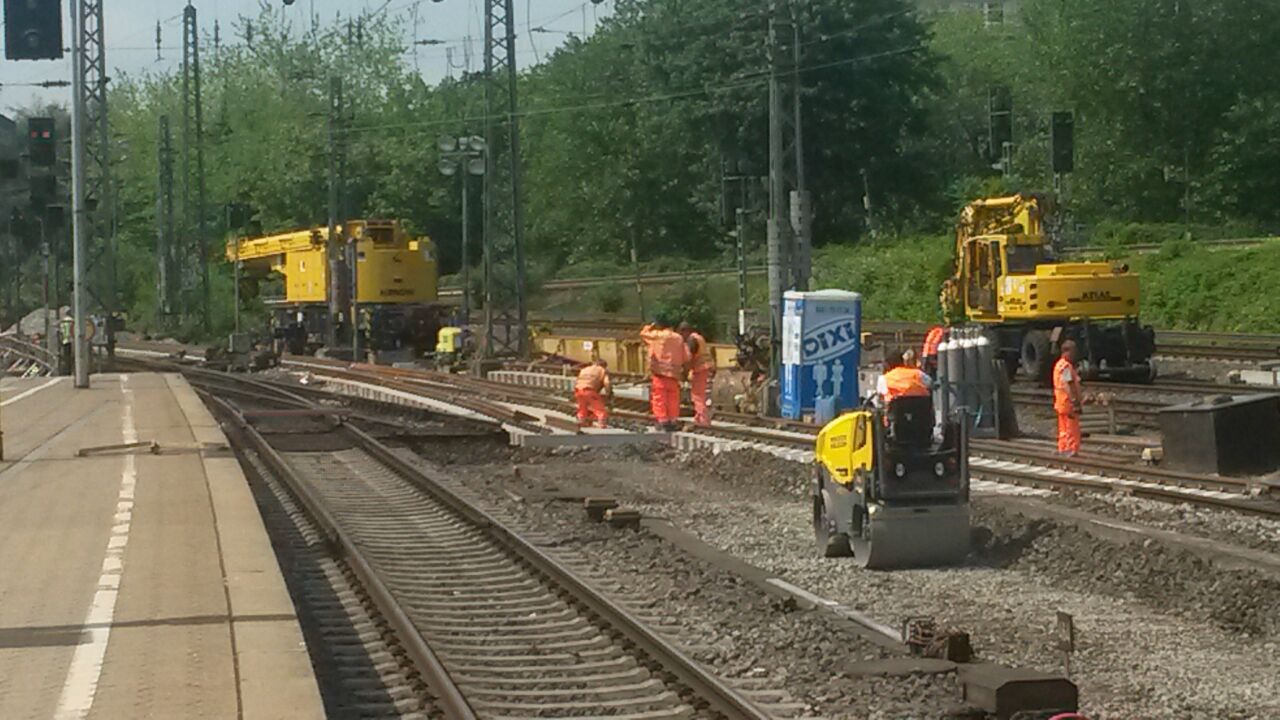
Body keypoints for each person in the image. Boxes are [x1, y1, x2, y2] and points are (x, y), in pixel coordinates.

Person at [640, 320, 689, 430]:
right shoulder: (679, 338)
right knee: (673, 398)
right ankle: (672, 420)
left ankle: (663, 421)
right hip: (674, 375)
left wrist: (649, 326)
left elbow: (643, 334)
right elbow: (687, 356)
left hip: (660, 373)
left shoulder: (658, 335)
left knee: (659, 398)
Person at [678, 321, 715, 427]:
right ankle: (698, 418)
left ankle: (703, 420)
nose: (681, 336)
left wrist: (684, 372)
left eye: (681, 333)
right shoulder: (698, 337)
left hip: (700, 369)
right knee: (701, 394)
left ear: (685, 331)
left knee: (697, 396)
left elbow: (689, 358)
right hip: (705, 368)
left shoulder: (691, 340)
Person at [1053, 340, 1084, 456]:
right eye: (1073, 351)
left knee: (1063, 428)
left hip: (1060, 402)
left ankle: (1063, 448)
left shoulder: (1058, 365)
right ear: (1067, 352)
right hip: (1068, 403)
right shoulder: (1065, 366)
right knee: (1072, 427)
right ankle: (1071, 449)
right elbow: (1068, 383)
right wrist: (1075, 401)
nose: (1075, 354)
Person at [574, 359, 611, 428]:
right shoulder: (602, 370)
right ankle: (602, 424)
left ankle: (581, 421)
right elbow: (607, 383)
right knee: (600, 409)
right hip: (589, 390)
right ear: (604, 365)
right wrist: (608, 393)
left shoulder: (585, 369)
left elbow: (577, 380)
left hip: (578, 390)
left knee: (582, 408)